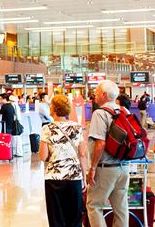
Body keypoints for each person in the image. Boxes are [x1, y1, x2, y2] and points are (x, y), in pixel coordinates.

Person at [39, 94, 87, 227]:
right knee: (74, 219)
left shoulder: (47, 128)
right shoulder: (77, 127)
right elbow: (82, 154)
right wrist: (84, 176)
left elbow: (43, 156)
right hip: (74, 177)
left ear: (53, 109)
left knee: (56, 219)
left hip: (53, 178)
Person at [86, 80, 129, 227]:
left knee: (94, 206)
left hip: (106, 168)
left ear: (104, 94)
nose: (95, 95)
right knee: (121, 209)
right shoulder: (123, 111)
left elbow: (100, 143)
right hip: (123, 168)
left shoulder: (100, 113)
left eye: (96, 92)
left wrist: (92, 168)